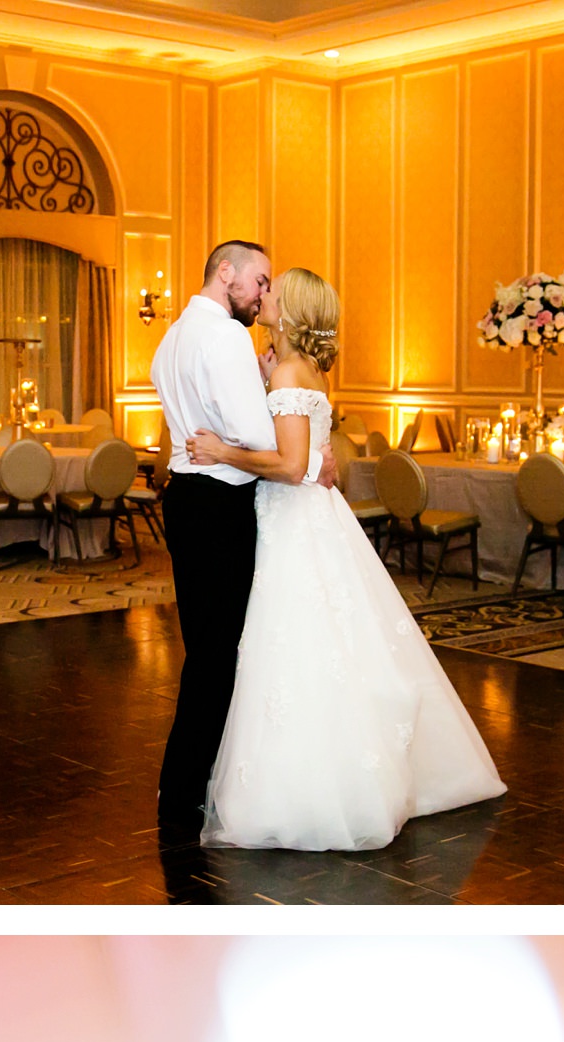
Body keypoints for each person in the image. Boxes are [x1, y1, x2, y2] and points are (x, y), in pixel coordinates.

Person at [183, 267, 506, 853]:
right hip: (311, 517)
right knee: (331, 642)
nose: (264, 296)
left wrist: (221, 450)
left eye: (273, 293)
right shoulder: (294, 369)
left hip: (292, 520)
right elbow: (310, 458)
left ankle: (305, 789)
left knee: (295, 643)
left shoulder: (286, 371)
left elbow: (290, 465)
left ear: (292, 310)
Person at [152, 239, 339, 848]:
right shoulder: (227, 337)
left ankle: (186, 782)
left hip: (185, 500)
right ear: (224, 272)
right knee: (219, 655)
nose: (263, 294)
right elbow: (262, 439)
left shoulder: (171, 337)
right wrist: (308, 454)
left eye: (270, 288)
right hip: (220, 506)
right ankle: (185, 786)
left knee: (206, 646)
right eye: (258, 280)